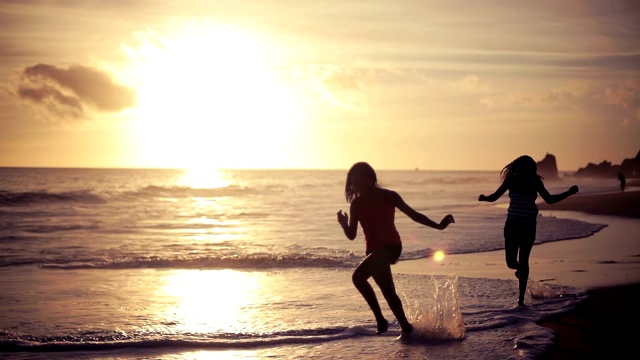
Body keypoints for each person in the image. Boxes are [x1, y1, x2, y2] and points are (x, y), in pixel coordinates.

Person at [336, 162, 455, 336]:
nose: (358, 187)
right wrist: (344, 224)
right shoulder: (356, 204)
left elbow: (413, 215)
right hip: (372, 251)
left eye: (361, 182)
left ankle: (380, 319)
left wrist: (438, 226)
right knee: (388, 292)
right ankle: (406, 328)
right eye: (355, 184)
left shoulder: (389, 196)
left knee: (358, 278)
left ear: (372, 178)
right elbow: (352, 235)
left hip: (391, 246)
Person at [478, 155, 579, 306]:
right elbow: (495, 196)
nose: (530, 170)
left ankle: (521, 298)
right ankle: (520, 271)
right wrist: (485, 198)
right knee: (511, 262)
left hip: (528, 226)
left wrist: (569, 193)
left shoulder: (535, 181)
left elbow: (549, 199)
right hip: (512, 225)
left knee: (524, 260)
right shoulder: (512, 180)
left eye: (531, 168)